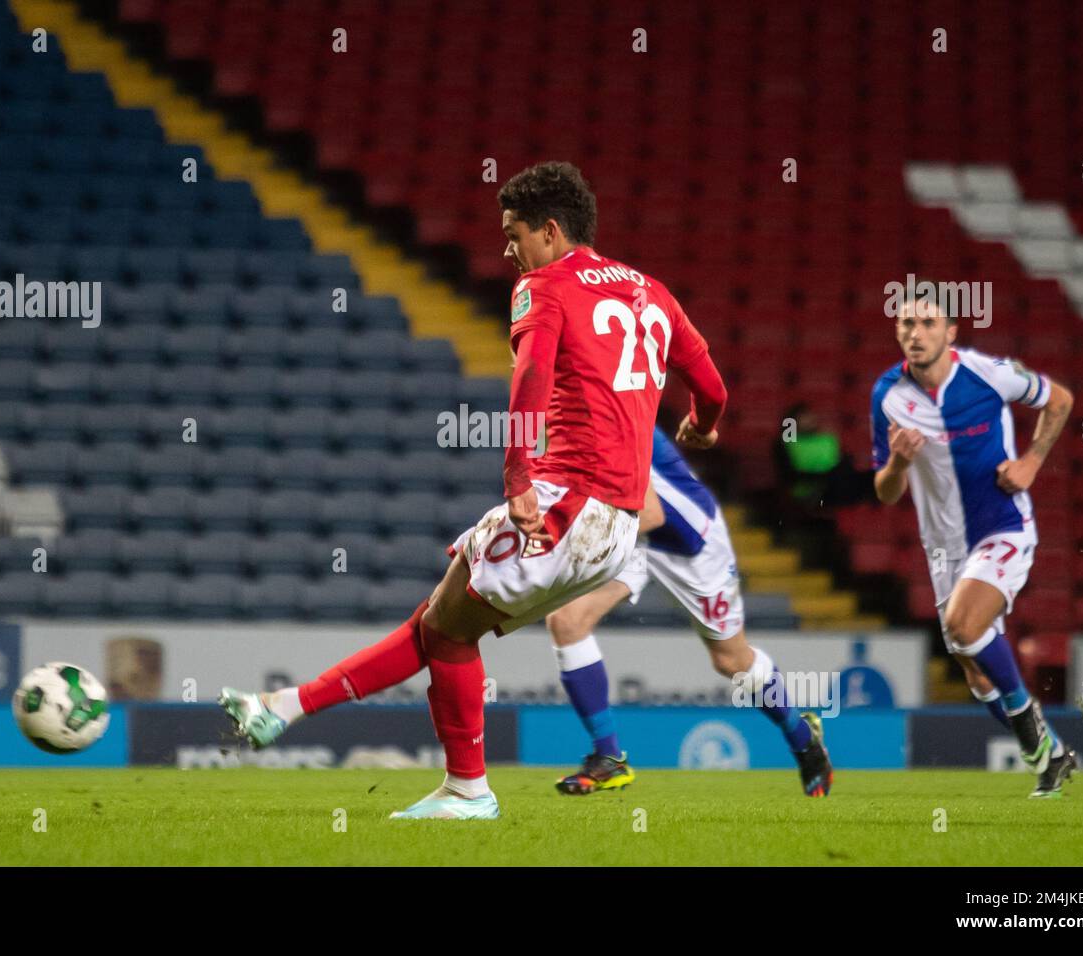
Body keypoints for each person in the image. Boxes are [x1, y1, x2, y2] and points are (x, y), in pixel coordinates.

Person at [219, 161, 729, 819]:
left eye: (514, 234)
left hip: (564, 503)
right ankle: (282, 708)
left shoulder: (544, 286)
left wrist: (519, 479)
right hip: (618, 525)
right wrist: (702, 427)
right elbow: (712, 385)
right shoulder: (651, 293)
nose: (507, 250)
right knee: (443, 618)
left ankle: (467, 790)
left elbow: (531, 382)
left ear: (550, 230)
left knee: (447, 631)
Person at [545, 426, 834, 797]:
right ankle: (608, 758)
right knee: (567, 621)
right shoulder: (559, 418)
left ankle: (803, 739)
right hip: (634, 536)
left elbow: (650, 512)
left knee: (731, 661)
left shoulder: (611, 417)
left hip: (689, 541)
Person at [871, 289, 1076, 797]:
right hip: (944, 550)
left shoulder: (989, 373)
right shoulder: (887, 395)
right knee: (975, 673)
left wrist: (1031, 462)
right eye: (905, 324)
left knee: (964, 627)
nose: (915, 333)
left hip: (1003, 527)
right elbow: (885, 492)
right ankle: (1052, 757)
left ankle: (1031, 734)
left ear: (950, 332)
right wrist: (896, 462)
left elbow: (1061, 399)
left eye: (926, 323)